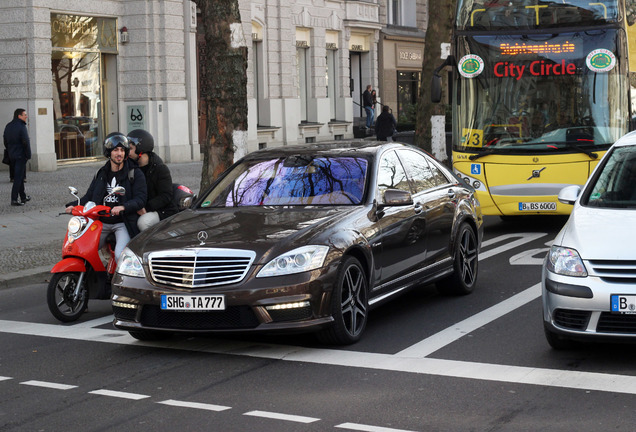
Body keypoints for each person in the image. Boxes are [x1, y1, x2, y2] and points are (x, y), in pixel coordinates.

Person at [65, 133, 147, 261]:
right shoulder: (101, 173)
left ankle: (121, 279)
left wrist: (123, 207)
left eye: (122, 150)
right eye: (115, 150)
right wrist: (73, 205)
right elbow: (90, 196)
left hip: (122, 223)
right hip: (101, 222)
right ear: (109, 152)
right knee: (83, 248)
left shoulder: (134, 173)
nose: (119, 153)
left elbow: (140, 199)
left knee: (121, 255)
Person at [127, 129, 178, 231]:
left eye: (130, 149)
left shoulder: (159, 168)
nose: (127, 152)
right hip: (136, 207)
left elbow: (166, 195)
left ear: (141, 149)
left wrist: (146, 208)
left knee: (143, 222)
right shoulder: (129, 166)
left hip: (161, 210)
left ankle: (149, 246)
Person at [4, 109, 31, 206]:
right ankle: (14, 199)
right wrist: (28, 154)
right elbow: (26, 141)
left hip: (12, 154)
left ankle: (23, 197)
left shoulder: (8, 126)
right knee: (18, 178)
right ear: (19, 116)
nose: (26, 116)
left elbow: (5, 140)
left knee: (18, 175)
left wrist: (10, 150)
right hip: (21, 154)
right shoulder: (21, 126)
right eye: (25, 115)